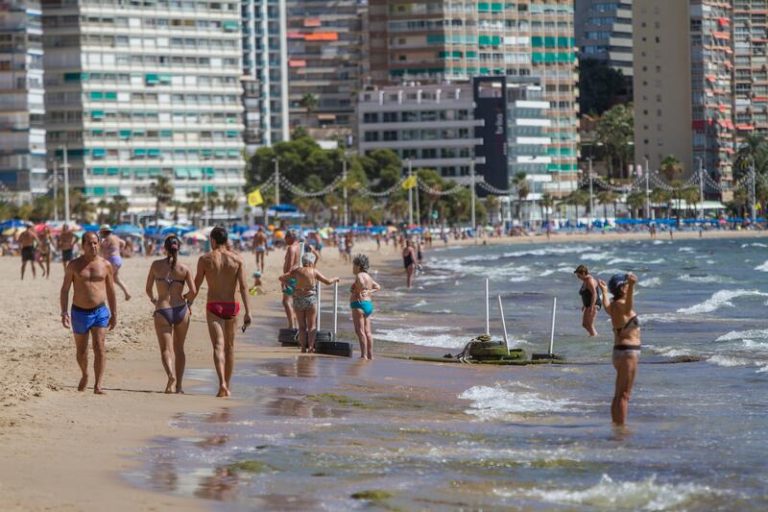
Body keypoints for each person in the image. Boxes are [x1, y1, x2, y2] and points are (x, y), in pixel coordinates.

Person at [191, 226, 251, 397]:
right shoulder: (237, 259)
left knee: (218, 346)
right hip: (232, 306)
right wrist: (248, 312)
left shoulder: (205, 259)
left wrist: (187, 302)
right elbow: (244, 287)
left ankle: (221, 384)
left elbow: (196, 285)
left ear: (213, 240)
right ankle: (228, 385)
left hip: (214, 306)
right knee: (230, 347)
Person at [59, 231, 117, 394]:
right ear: (83, 245)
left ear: (99, 244)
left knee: (99, 346)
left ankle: (98, 384)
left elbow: (111, 291)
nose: (92, 246)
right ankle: (85, 374)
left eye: (95, 243)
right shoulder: (74, 265)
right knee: (82, 351)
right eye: (89, 243)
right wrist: (64, 312)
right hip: (79, 313)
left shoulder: (106, 265)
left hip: (100, 311)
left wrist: (114, 314)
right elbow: (65, 290)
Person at [145, 235, 196, 393]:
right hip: (180, 309)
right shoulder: (184, 268)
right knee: (179, 348)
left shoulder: (155, 265)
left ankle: (170, 376)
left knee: (166, 349)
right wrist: (186, 301)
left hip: (162, 309)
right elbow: (193, 291)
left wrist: (156, 301)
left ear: (165, 249)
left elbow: (148, 289)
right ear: (179, 248)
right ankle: (179, 386)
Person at [597, 273, 641, 426]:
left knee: (618, 395)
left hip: (619, 351)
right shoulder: (623, 305)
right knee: (624, 395)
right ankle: (621, 431)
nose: (629, 287)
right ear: (622, 288)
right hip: (628, 352)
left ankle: (616, 426)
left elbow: (606, 307)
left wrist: (603, 291)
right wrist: (632, 286)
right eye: (626, 285)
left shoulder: (614, 306)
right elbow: (629, 305)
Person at [279, 253, 339, 353]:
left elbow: (281, 278)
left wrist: (292, 287)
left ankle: (303, 348)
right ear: (311, 262)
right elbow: (327, 282)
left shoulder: (297, 271)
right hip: (310, 299)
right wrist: (335, 278)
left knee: (302, 327)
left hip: (298, 299)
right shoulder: (314, 271)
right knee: (312, 326)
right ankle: (311, 347)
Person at [349, 254, 381, 360]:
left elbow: (362, 284)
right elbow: (378, 287)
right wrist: (368, 291)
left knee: (360, 331)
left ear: (359, 266)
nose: (352, 268)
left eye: (354, 265)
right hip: (368, 305)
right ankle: (370, 355)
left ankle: (364, 355)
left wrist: (360, 290)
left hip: (358, 305)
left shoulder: (359, 276)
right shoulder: (369, 277)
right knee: (368, 332)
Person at [99, 225, 131, 301]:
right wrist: (119, 250)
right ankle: (127, 293)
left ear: (103, 232)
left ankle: (109, 295)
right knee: (116, 279)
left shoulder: (107, 239)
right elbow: (123, 242)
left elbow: (102, 248)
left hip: (112, 260)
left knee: (106, 278)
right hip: (118, 259)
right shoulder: (115, 237)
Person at [574, 264, 601, 337]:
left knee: (589, 324)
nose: (578, 277)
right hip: (588, 305)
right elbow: (585, 294)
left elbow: (594, 294)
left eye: (578, 275)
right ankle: (593, 336)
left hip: (594, 305)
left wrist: (592, 307)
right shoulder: (585, 280)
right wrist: (584, 305)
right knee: (585, 324)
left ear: (583, 273)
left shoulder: (590, 280)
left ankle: (595, 338)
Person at [281, 230, 300, 329]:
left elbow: (290, 265)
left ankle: (291, 325)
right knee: (295, 301)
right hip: (298, 277)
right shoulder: (300, 247)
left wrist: (284, 279)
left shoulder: (291, 248)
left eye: (286, 237)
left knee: (286, 301)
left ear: (291, 237)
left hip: (290, 278)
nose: (284, 239)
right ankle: (296, 324)